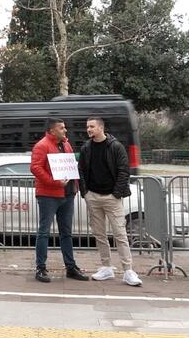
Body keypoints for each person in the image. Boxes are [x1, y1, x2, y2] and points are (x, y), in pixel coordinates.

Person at [79, 118, 142, 287]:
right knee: (99, 234)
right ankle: (106, 267)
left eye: (92, 126)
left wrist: (116, 194)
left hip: (111, 198)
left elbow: (123, 171)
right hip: (93, 196)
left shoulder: (115, 146)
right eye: (87, 127)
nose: (89, 129)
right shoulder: (86, 148)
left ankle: (128, 270)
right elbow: (81, 171)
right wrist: (85, 193)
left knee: (120, 234)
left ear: (101, 127)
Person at [30, 118, 88, 283]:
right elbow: (35, 167)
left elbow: (70, 165)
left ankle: (70, 267)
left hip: (67, 194)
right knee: (44, 232)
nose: (65, 130)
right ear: (52, 130)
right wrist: (54, 181)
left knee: (66, 233)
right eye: (61, 128)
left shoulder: (66, 144)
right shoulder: (42, 145)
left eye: (65, 127)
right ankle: (40, 268)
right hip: (48, 195)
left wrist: (75, 186)